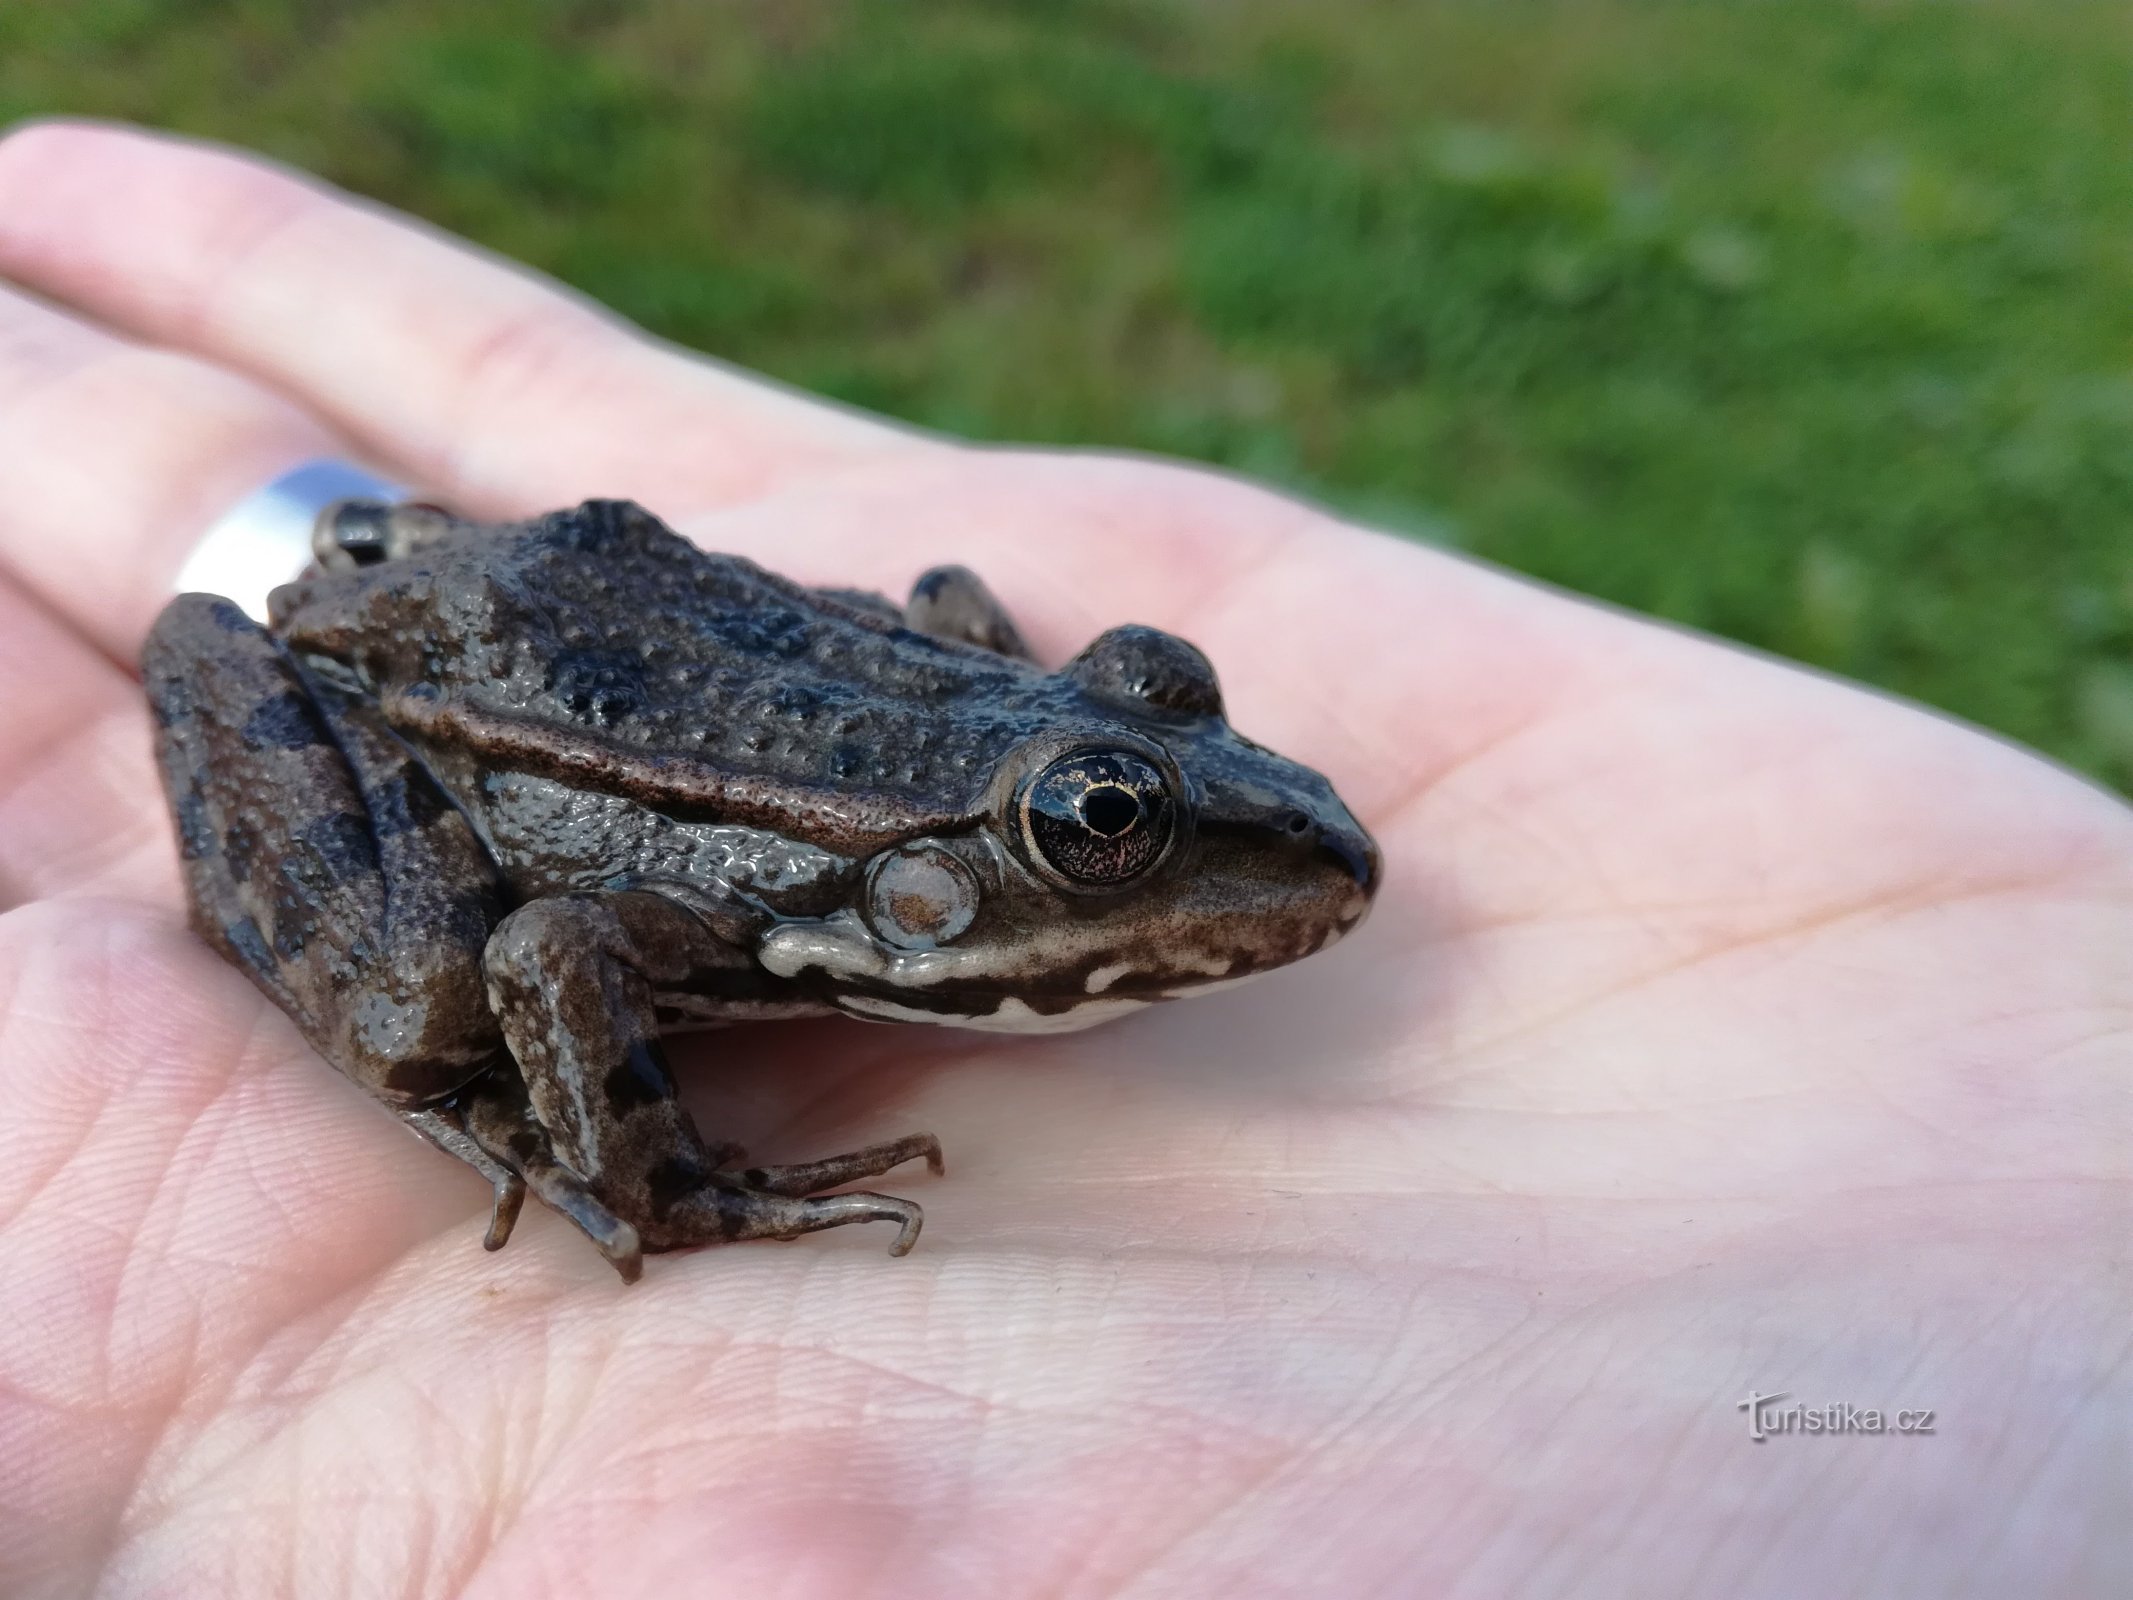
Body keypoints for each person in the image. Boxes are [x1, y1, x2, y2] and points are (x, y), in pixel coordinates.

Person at [0, 121, 2122, 1599]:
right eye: (1102, 835)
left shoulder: (993, 765)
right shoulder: (767, 895)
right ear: (942, 882)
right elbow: (555, 932)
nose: (1195, 839)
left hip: (536, 597)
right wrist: (662, 1178)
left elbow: (936, 605)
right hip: (424, 704)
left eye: (1128, 756)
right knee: (436, 983)